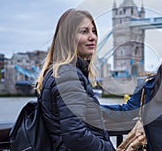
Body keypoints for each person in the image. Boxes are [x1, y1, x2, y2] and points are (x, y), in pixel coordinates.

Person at [35, 8, 115, 151]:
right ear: (67, 37)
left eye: (94, 31)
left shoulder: (61, 72)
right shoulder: (68, 76)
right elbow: (76, 135)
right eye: (84, 31)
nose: (93, 37)